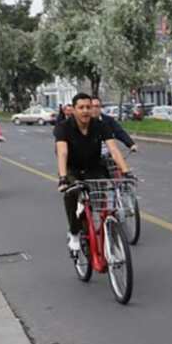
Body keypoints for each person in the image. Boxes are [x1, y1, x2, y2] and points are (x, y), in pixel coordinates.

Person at [55, 93, 134, 252]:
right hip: (72, 169)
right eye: (81, 107)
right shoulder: (63, 127)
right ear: (73, 110)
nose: (85, 111)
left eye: (88, 107)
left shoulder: (100, 125)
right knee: (71, 194)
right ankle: (75, 233)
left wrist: (126, 171)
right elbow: (62, 152)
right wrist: (63, 178)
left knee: (104, 197)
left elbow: (113, 149)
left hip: (94, 167)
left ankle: (109, 233)